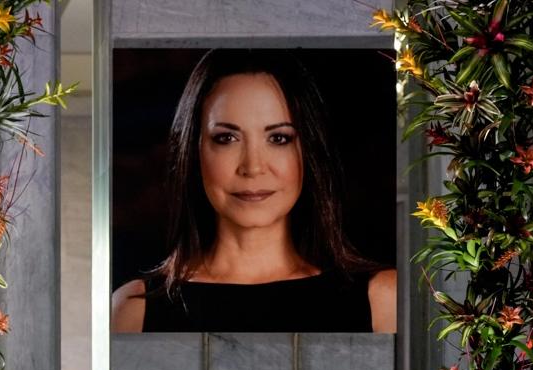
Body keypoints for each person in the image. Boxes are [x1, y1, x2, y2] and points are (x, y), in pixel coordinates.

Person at [111, 49, 397, 333]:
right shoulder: (133, 311)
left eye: (278, 138)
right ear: (194, 151)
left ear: (308, 151)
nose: (253, 166)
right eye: (226, 138)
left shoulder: (382, 301)